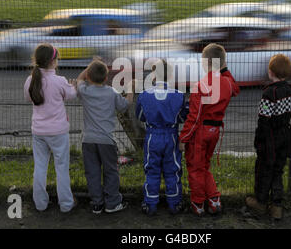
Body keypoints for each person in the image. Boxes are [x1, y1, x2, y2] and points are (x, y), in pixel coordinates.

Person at [179, 43, 240, 216]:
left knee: (195, 167)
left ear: (205, 63)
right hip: (215, 132)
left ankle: (198, 203)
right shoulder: (228, 83)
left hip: (200, 133)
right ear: (222, 63)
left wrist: (184, 138)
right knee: (204, 166)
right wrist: (224, 69)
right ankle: (214, 199)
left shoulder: (201, 86)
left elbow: (194, 117)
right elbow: (236, 89)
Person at [23, 43, 77, 213]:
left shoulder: (30, 80)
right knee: (61, 167)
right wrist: (73, 85)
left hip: (38, 131)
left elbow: (28, 97)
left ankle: (40, 203)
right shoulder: (59, 81)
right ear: (53, 61)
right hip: (58, 133)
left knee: (40, 166)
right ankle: (66, 204)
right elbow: (71, 95)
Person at [76, 57, 132, 214]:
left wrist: (89, 67)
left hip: (88, 140)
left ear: (88, 76)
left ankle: (97, 203)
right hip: (107, 140)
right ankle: (112, 203)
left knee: (92, 172)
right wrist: (130, 91)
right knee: (110, 171)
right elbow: (124, 106)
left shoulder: (84, 91)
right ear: (106, 78)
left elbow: (80, 78)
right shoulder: (111, 92)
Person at [135, 59, 189, 216]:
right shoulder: (178, 95)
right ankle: (174, 203)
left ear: (153, 75)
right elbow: (182, 117)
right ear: (170, 75)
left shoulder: (145, 95)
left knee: (152, 169)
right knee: (172, 170)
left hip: (152, 136)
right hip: (171, 136)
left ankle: (150, 204)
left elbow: (140, 116)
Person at [245, 54, 291, 220]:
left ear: (270, 71)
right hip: (284, 136)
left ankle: (260, 202)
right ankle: (277, 206)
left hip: (270, 138)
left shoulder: (268, 94)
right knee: (278, 171)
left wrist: (260, 140)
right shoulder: (290, 90)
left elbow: (263, 119)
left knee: (264, 170)